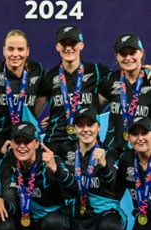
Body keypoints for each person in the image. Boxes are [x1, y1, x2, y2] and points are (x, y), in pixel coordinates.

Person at [59, 107, 125, 230]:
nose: (86, 129)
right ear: (75, 128)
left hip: (104, 215)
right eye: (81, 125)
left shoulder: (110, 153)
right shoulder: (66, 151)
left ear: (98, 127)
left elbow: (112, 184)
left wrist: (104, 166)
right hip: (80, 218)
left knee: (110, 225)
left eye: (90, 124)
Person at [0, 121, 71, 230]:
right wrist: (1, 200)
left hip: (54, 224)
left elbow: (74, 191)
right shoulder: (8, 162)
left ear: (37, 143)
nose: (22, 146)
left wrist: (56, 171)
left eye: (27, 142)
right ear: (11, 144)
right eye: (18, 142)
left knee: (53, 223)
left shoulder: (50, 160)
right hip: (27, 227)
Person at [36, 24, 111, 157]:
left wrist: (145, 72)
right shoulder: (49, 76)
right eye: (64, 44)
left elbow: (124, 82)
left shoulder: (96, 71)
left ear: (81, 45)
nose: (69, 48)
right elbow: (32, 112)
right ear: (57, 47)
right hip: (56, 142)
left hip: (86, 141)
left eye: (73, 43)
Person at [0, 29, 45, 153]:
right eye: (10, 49)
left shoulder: (37, 70)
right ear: (4, 50)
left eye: (20, 49)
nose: (15, 54)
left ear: (27, 51)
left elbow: (43, 94)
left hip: (28, 138)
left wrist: (31, 113)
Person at [115, 116, 151, 230]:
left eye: (144, 133)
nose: (140, 138)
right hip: (143, 221)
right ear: (128, 138)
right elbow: (115, 191)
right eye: (134, 134)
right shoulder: (126, 160)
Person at [101, 33, 151, 154]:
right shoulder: (110, 80)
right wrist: (62, 113)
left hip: (143, 153)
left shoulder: (149, 79)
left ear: (142, 52)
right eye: (123, 54)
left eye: (132, 52)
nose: (128, 58)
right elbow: (89, 106)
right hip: (113, 152)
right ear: (116, 56)